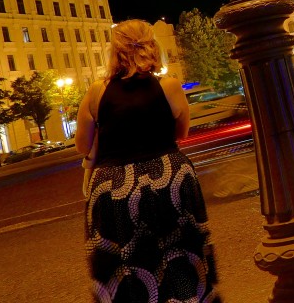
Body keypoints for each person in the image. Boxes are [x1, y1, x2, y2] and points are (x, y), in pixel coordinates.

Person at [76, 19, 220, 302]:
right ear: (152, 47)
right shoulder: (170, 86)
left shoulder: (96, 91)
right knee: (180, 254)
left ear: (114, 52)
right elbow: (181, 131)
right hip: (169, 177)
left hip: (116, 186)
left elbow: (82, 145)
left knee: (126, 265)